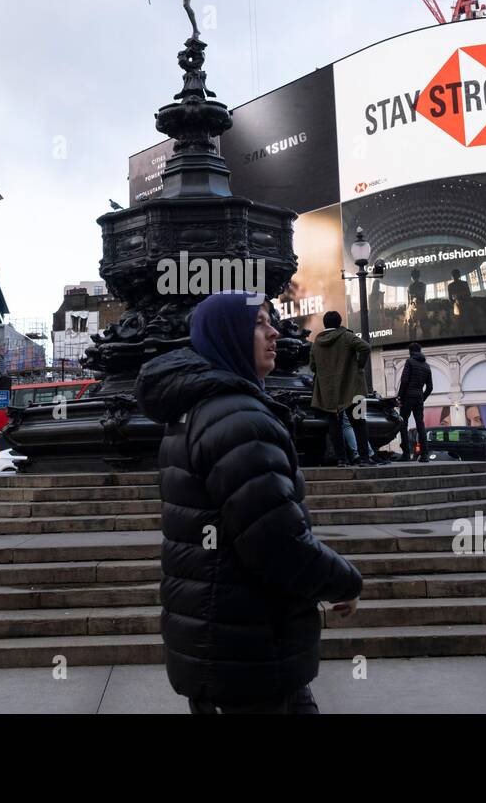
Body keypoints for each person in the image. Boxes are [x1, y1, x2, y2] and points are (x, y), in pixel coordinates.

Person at [135, 292, 363, 714]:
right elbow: (275, 540)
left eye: (271, 320)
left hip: (225, 642)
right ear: (229, 335)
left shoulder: (195, 409)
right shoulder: (239, 419)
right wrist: (342, 581)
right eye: (259, 322)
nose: (274, 331)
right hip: (249, 651)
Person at [309, 310, 372, 467]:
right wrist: (359, 366)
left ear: (325, 324)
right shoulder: (347, 336)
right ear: (339, 322)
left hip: (328, 392)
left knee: (334, 427)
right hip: (355, 389)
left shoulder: (317, 342)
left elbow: (312, 366)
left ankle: (341, 459)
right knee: (360, 422)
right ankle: (365, 458)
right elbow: (365, 347)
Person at [396, 343, 432, 461]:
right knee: (420, 425)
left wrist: (400, 397)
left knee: (403, 423)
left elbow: (404, 381)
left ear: (410, 351)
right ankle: (425, 455)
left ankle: (406, 454)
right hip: (419, 398)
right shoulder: (426, 366)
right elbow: (430, 387)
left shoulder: (410, 362)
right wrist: (422, 397)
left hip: (408, 397)